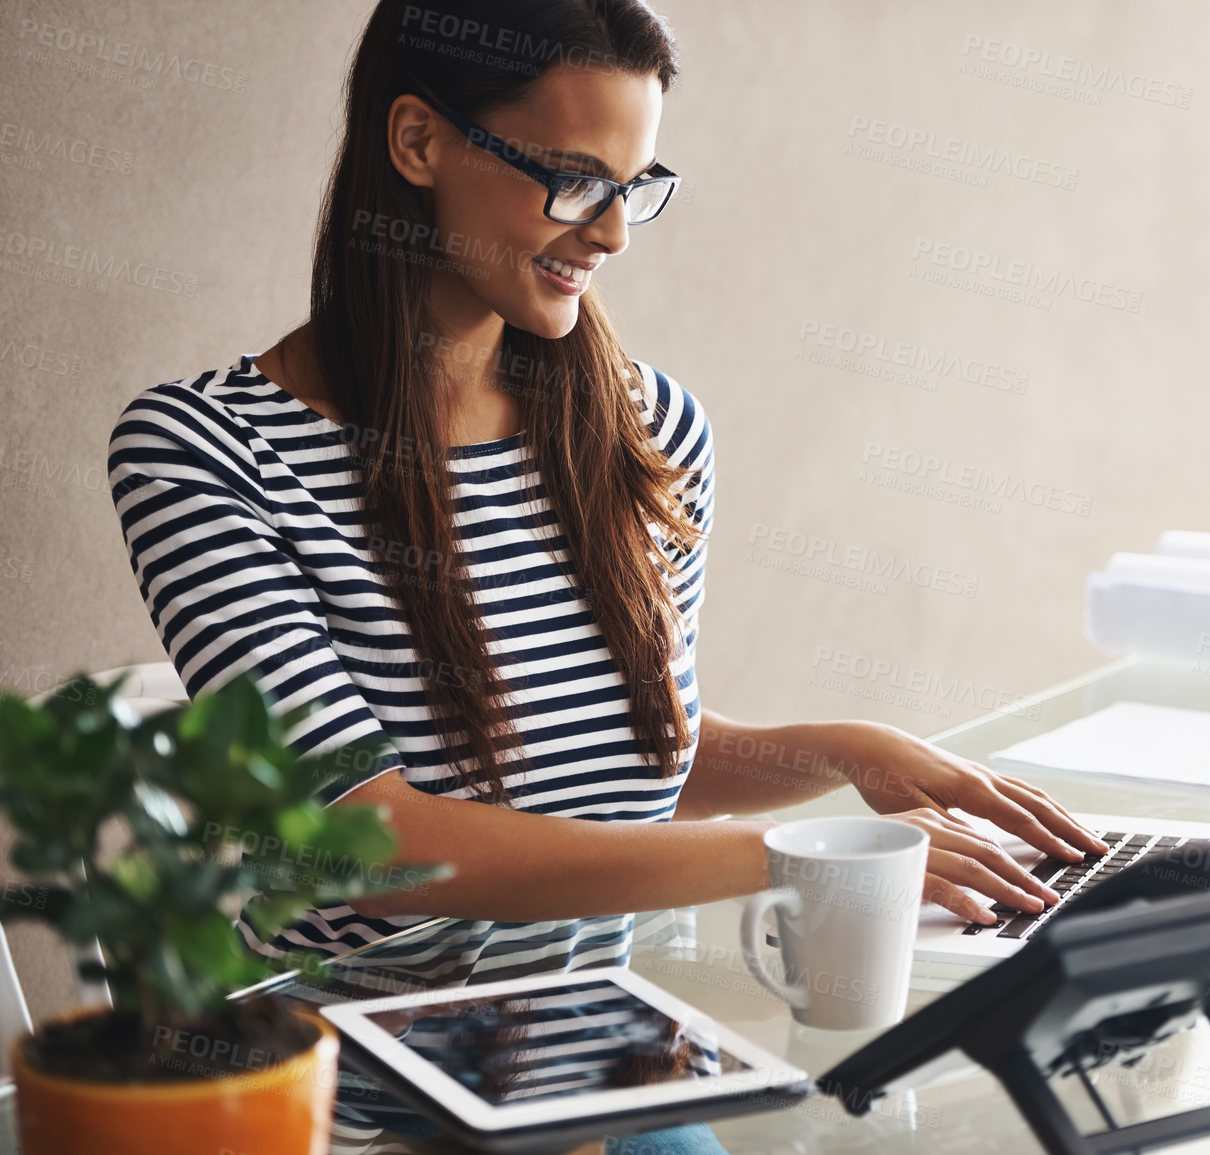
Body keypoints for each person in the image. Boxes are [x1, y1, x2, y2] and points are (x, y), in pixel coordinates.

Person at [107, 0, 1105, 991]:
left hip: (599, 1048)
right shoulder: (205, 453)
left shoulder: (648, 430)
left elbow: (622, 769)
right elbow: (362, 838)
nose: (616, 234)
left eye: (635, 186)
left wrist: (849, 754)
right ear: (417, 141)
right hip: (348, 1074)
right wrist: (800, 855)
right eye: (577, 181)